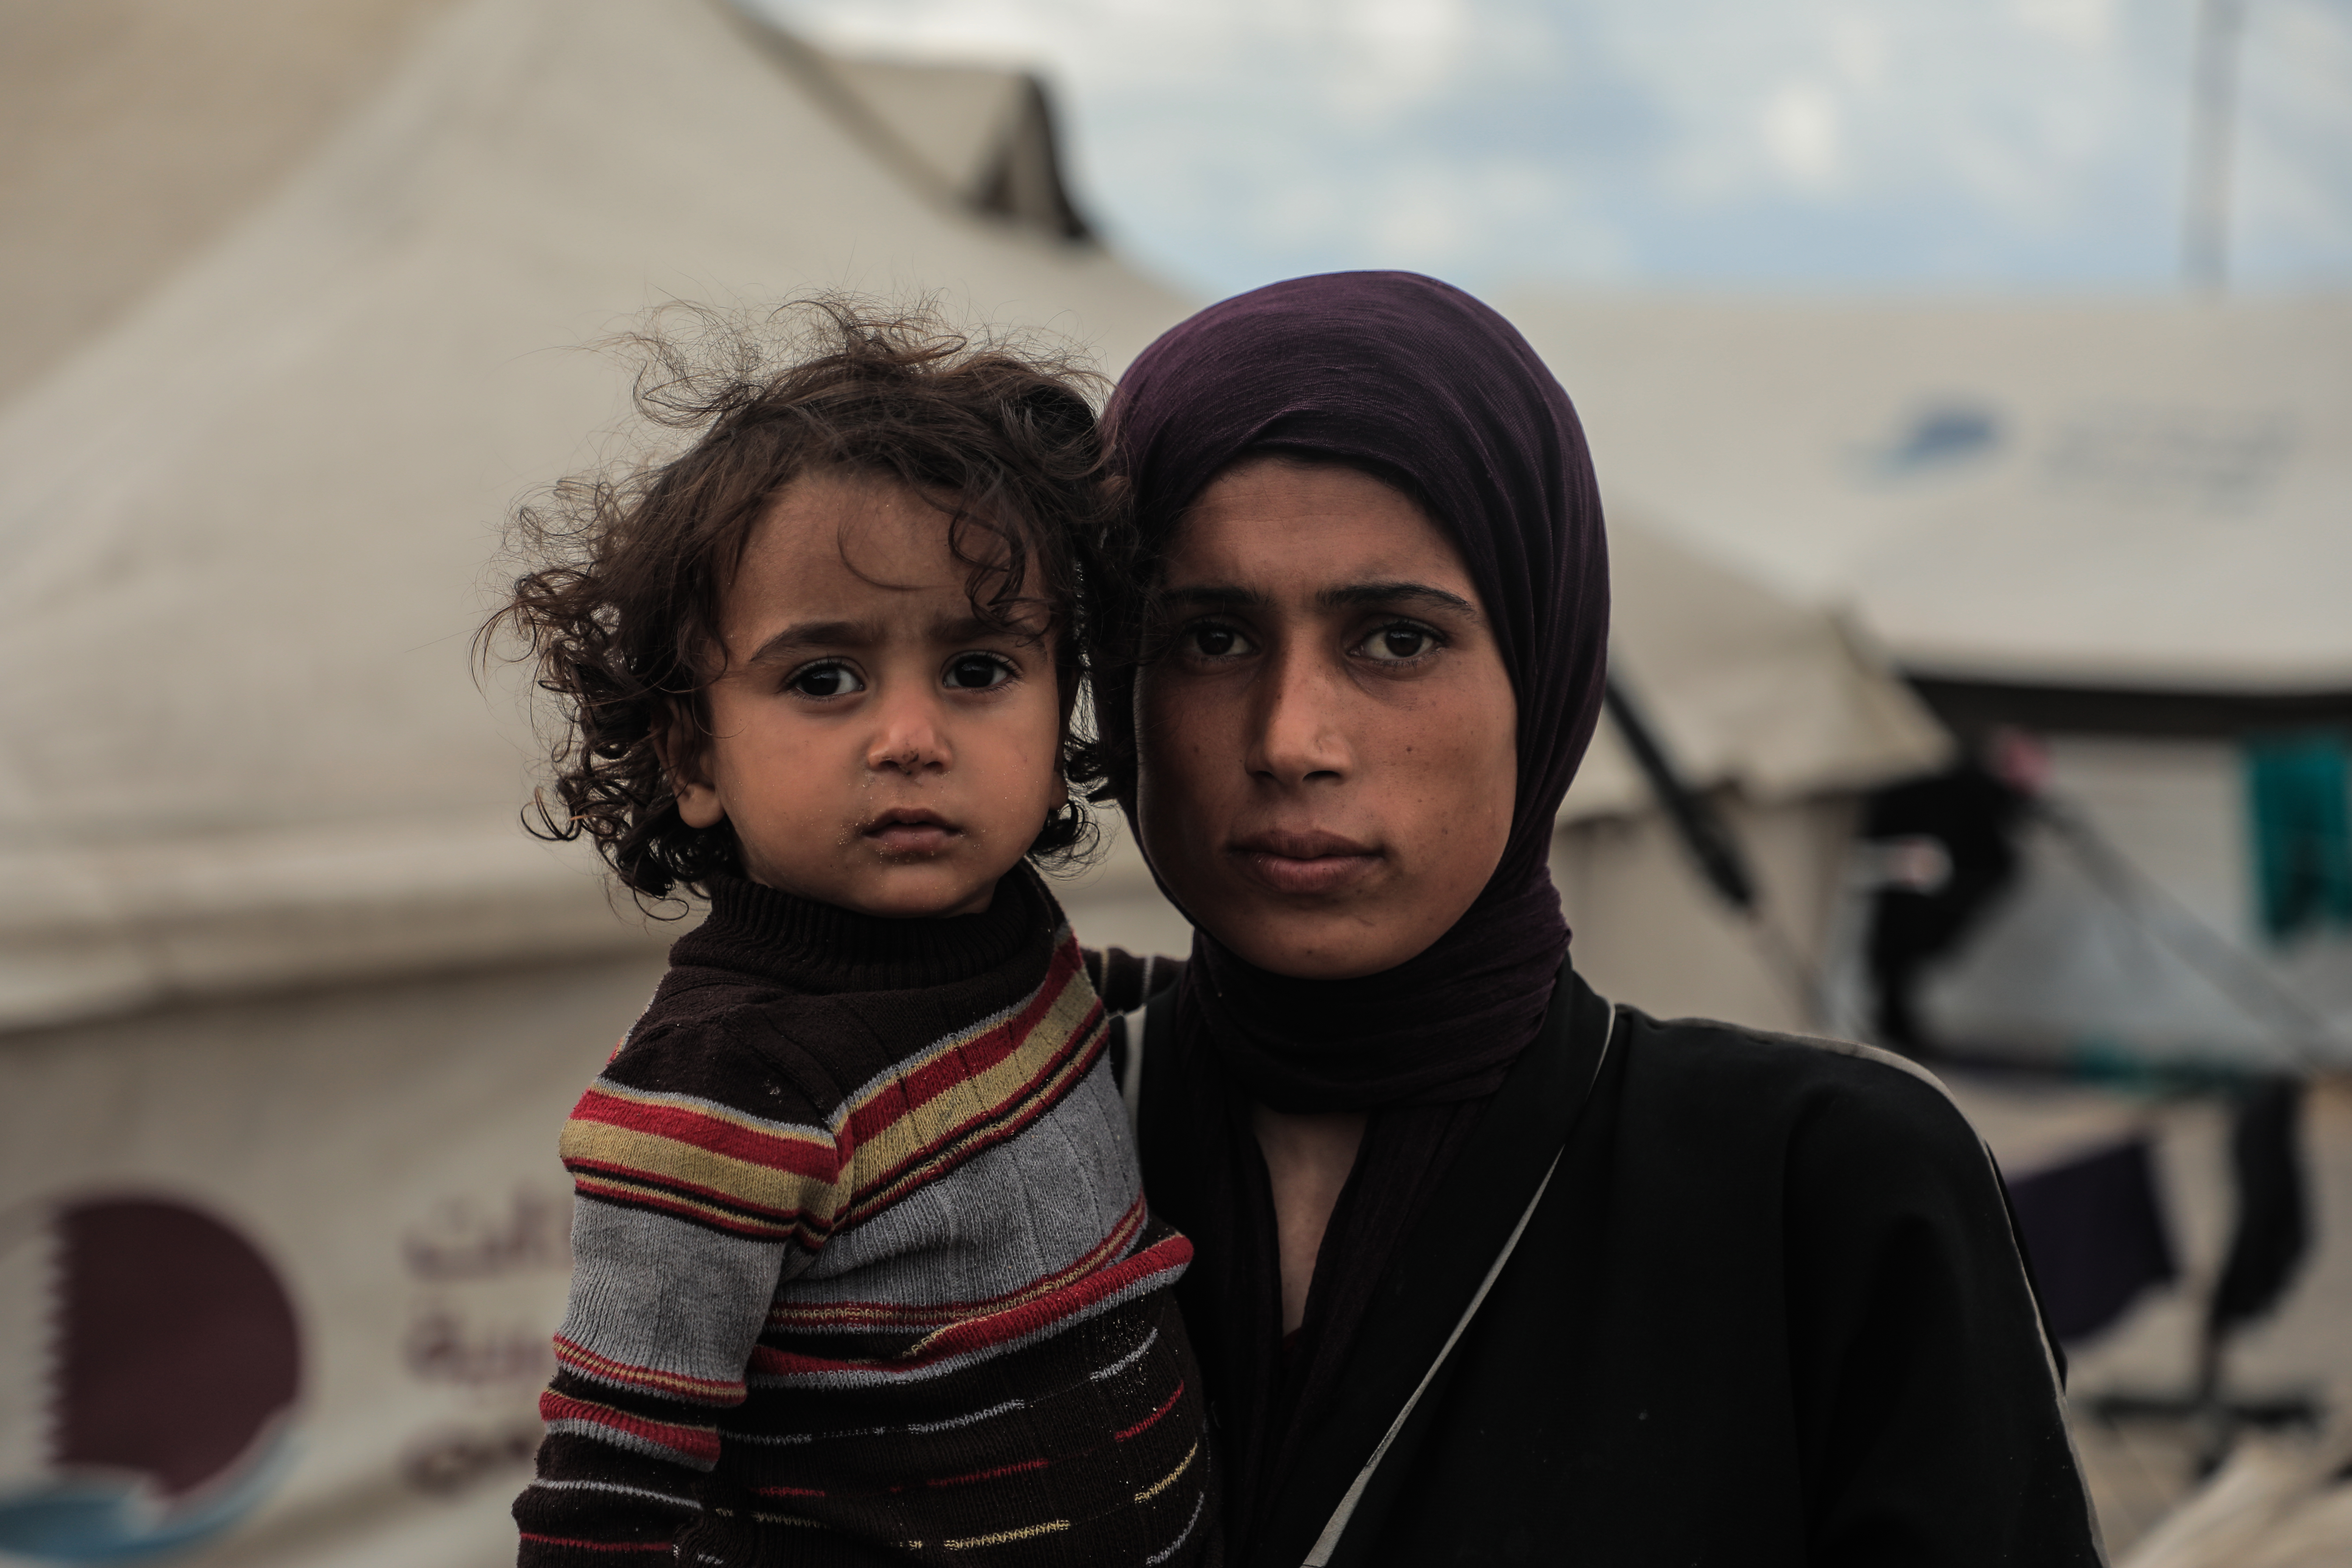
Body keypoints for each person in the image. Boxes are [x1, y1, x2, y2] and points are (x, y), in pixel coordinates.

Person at [1085, 273, 2105, 1566]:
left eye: (1396, 640)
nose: (1294, 740)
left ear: (1547, 669)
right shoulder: (977, 1149)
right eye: (1211, 638)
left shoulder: (1826, 1197)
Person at [488, 303, 1216, 1567]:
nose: (910, 738)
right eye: (824, 679)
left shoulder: (1007, 941)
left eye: (980, 669)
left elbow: (1056, 1015)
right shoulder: (721, 1095)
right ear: (692, 752)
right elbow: (612, 1486)